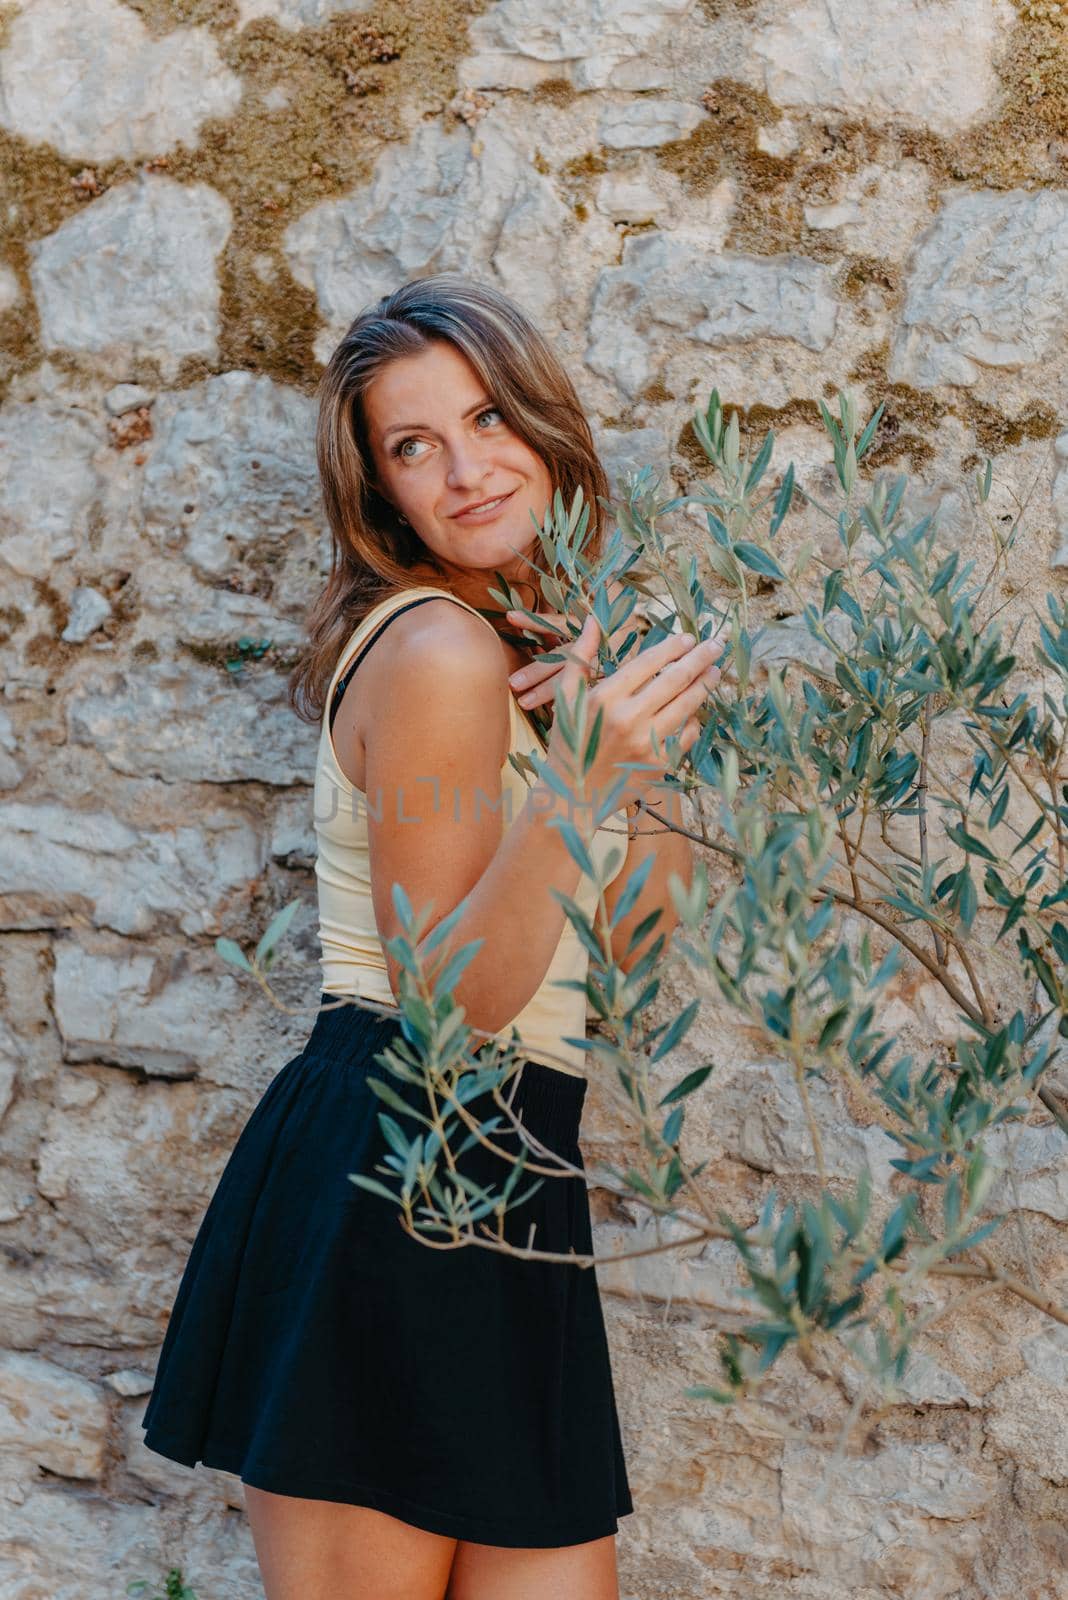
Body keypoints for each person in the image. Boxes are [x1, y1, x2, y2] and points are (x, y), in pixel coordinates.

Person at [139, 274, 724, 1600]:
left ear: (542, 422)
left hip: (515, 1175)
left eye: (485, 419)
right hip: (400, 1159)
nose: (464, 470)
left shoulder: (531, 648)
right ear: (380, 491)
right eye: (414, 447)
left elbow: (634, 949)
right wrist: (580, 780)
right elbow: (449, 1009)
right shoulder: (438, 654)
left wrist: (623, 761)